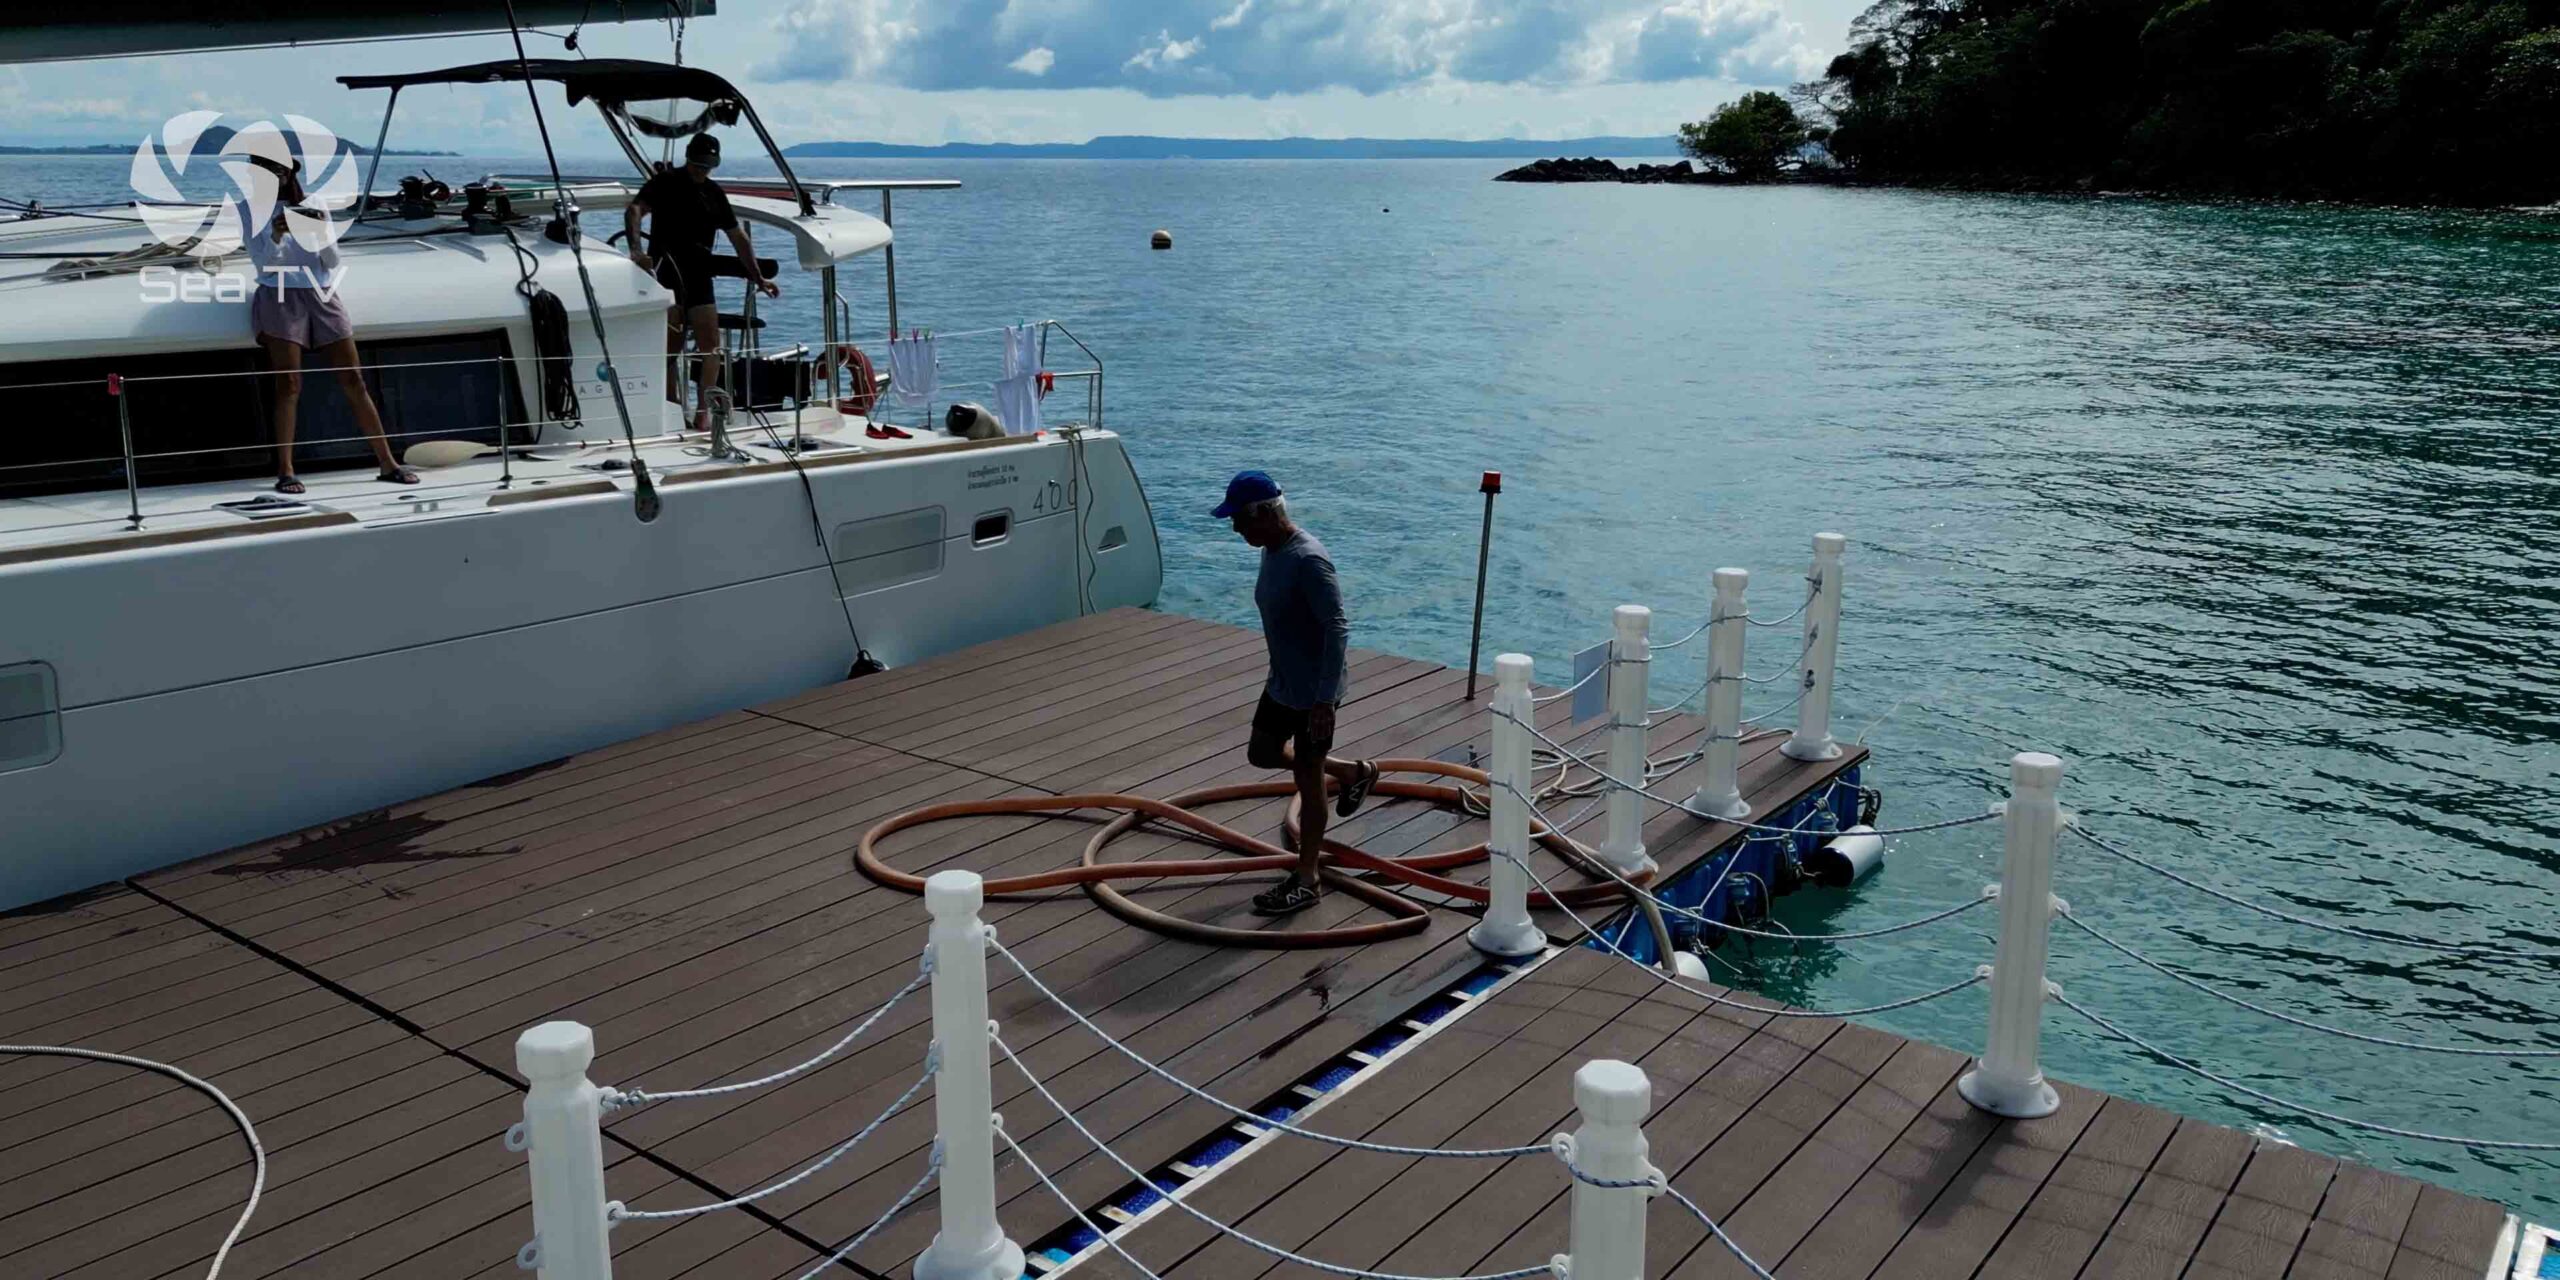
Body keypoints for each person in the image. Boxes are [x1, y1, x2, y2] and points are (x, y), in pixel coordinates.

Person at [1214, 470, 1381, 916]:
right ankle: (1353, 772)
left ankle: (1307, 879)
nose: (1235, 529)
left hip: (1314, 695)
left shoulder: (1308, 559)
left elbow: (1337, 627)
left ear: (1266, 514)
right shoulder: (1271, 549)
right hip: (1283, 683)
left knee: (1309, 780)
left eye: (1240, 520)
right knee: (1262, 752)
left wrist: (1324, 701)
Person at [242, 157, 417, 494]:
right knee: (289, 384)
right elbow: (262, 263)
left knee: (354, 379)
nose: (271, 175)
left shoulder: (315, 203)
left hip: (321, 292)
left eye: (278, 168)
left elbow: (332, 261)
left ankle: (387, 463)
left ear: (290, 171)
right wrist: (277, 234)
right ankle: (286, 471)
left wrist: (320, 233)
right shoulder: (249, 208)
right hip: (279, 293)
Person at [623, 134, 780, 433]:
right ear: (687, 157)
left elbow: (738, 237)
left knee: (711, 345)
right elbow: (634, 211)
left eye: (707, 166)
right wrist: (635, 250)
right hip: (666, 272)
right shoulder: (664, 182)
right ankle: (672, 407)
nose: (700, 171)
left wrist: (758, 277)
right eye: (697, 165)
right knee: (671, 347)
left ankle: (703, 410)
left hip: (699, 275)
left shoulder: (714, 193)